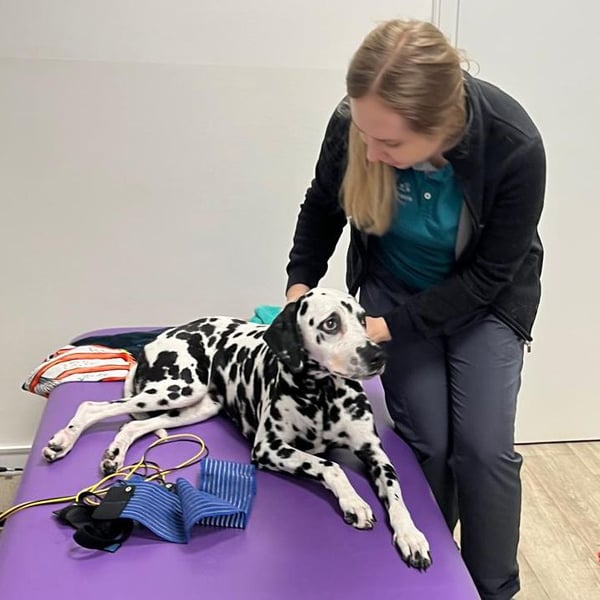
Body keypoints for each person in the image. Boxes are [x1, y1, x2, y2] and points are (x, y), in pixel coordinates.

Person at [284, 19, 545, 600]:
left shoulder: (514, 145)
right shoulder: (357, 124)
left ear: (442, 128)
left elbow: (488, 277)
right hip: (396, 286)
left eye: (390, 145)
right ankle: (430, 576)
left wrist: (383, 328)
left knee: (482, 450)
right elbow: (323, 204)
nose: (370, 151)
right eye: (365, 134)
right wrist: (299, 286)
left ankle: (493, 590)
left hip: (487, 300)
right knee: (428, 442)